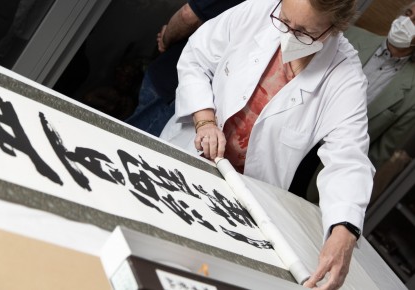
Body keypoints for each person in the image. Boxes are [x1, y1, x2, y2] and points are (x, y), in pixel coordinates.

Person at [160, 0, 375, 289]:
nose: (288, 34)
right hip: (185, 151)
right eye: (284, 21)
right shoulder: (258, 10)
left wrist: (344, 230)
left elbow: (348, 159)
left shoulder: (345, 79)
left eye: (304, 32)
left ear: (334, 28)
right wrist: (205, 120)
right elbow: (195, 58)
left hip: (243, 199)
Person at [299, 2, 415, 203]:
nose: (406, 22)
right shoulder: (350, 37)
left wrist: (341, 193)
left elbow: (378, 154)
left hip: (326, 169)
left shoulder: (412, 95)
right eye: (408, 13)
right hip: (295, 136)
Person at [125, 0, 244, 136]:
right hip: (179, 85)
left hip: (181, 89)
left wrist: (165, 39)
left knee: (130, 141)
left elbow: (187, 15)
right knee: (129, 142)